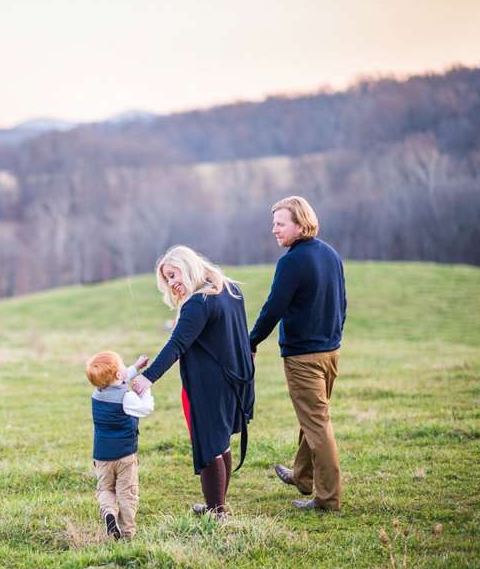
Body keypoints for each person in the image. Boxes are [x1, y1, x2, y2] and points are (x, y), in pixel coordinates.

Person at [132, 246, 254, 520]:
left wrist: (148, 377)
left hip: (208, 384)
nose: (172, 283)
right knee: (221, 443)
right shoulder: (229, 288)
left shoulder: (199, 302)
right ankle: (217, 506)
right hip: (234, 380)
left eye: (173, 275)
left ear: (187, 266)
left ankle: (216, 513)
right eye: (167, 280)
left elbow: (176, 344)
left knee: (210, 444)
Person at [249, 196, 346, 511]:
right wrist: (333, 338)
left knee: (317, 425)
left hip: (303, 357)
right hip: (330, 353)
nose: (274, 230)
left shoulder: (290, 262)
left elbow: (273, 308)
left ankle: (327, 499)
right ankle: (302, 476)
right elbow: (342, 304)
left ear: (300, 225)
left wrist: (251, 341)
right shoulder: (331, 254)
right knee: (312, 418)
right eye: (274, 223)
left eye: (280, 224)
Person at [86, 351, 154, 540]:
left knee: (105, 488)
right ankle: (126, 532)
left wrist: (137, 366)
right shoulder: (127, 398)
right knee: (127, 493)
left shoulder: (97, 394)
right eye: (123, 365)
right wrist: (145, 388)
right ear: (117, 375)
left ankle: (108, 511)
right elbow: (147, 408)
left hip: (102, 455)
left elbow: (119, 379)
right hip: (125, 455)